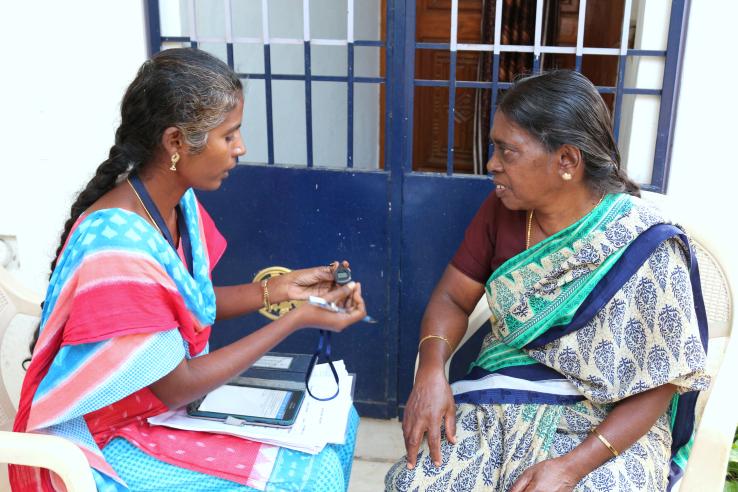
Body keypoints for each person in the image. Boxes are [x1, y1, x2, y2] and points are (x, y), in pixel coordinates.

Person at [12, 48, 367, 492]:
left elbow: (181, 307)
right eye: (229, 135)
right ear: (176, 142)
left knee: (337, 426)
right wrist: (297, 319)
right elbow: (178, 385)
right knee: (309, 476)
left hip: (151, 408)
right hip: (101, 438)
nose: (241, 148)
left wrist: (280, 290)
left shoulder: (176, 206)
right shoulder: (117, 247)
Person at [385, 70, 710, 491]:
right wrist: (430, 371)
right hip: (499, 401)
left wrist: (572, 467)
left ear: (567, 162)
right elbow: (452, 296)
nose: (492, 164)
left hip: (608, 428)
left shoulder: (644, 243)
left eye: (507, 151)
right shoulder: (502, 211)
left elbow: (663, 381)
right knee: (413, 483)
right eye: (493, 148)